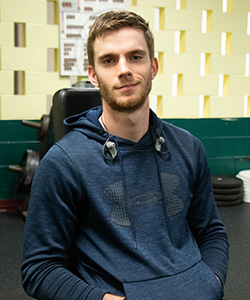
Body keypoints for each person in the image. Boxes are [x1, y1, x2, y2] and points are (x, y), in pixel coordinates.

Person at [21, 10, 229, 300]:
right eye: (109, 60)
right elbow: (39, 269)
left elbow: (211, 232)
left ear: (153, 66)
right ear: (93, 75)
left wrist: (213, 281)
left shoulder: (189, 147)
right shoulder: (64, 163)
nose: (123, 69)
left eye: (135, 56)